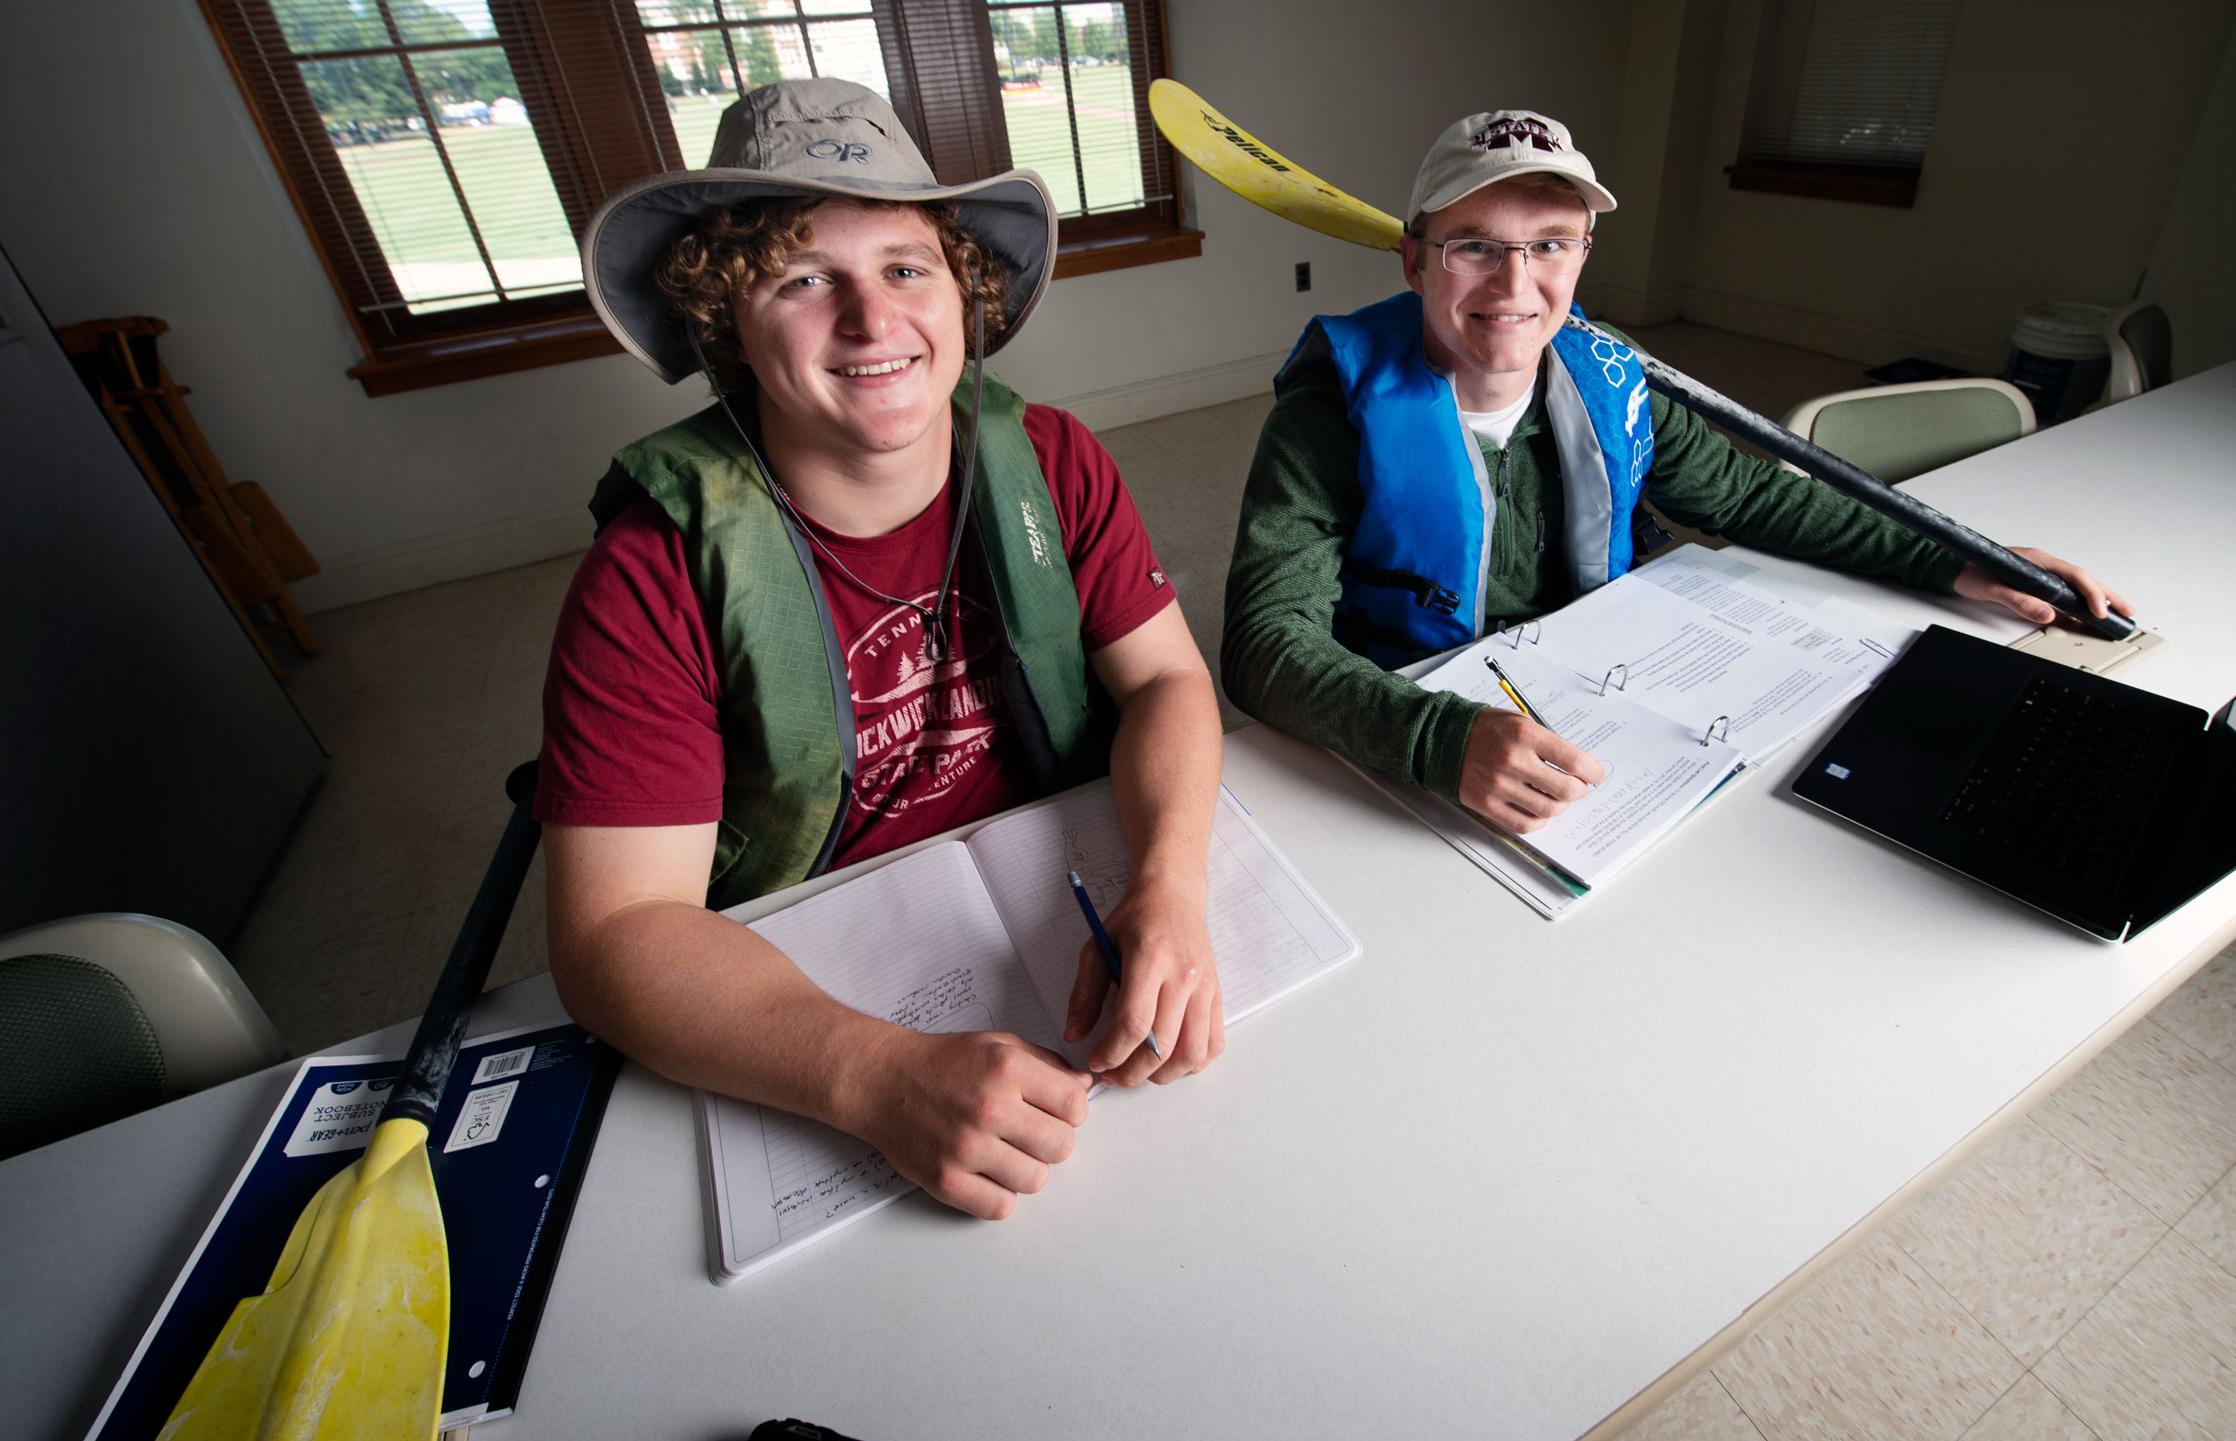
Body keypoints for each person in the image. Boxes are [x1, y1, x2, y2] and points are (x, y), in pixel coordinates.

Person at [540, 79, 1225, 1222]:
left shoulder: (1051, 460)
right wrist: (871, 1076)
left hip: (1053, 892)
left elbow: (1164, 678)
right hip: (810, 967)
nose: (871, 319)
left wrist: (1171, 883)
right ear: (728, 326)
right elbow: (613, 933)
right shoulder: (651, 572)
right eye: (804, 278)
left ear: (962, 291)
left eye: (906, 266)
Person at [1223, 107, 2131, 834]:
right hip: (1409, 713)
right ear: (1413, 260)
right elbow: (1265, 646)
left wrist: (1944, 554)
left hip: (1596, 699)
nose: (1514, 284)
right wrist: (1431, 738)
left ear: (1583, 255)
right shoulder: (1327, 417)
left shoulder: (1612, 377)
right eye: (1474, 245)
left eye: (1548, 243)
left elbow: (1748, 493)